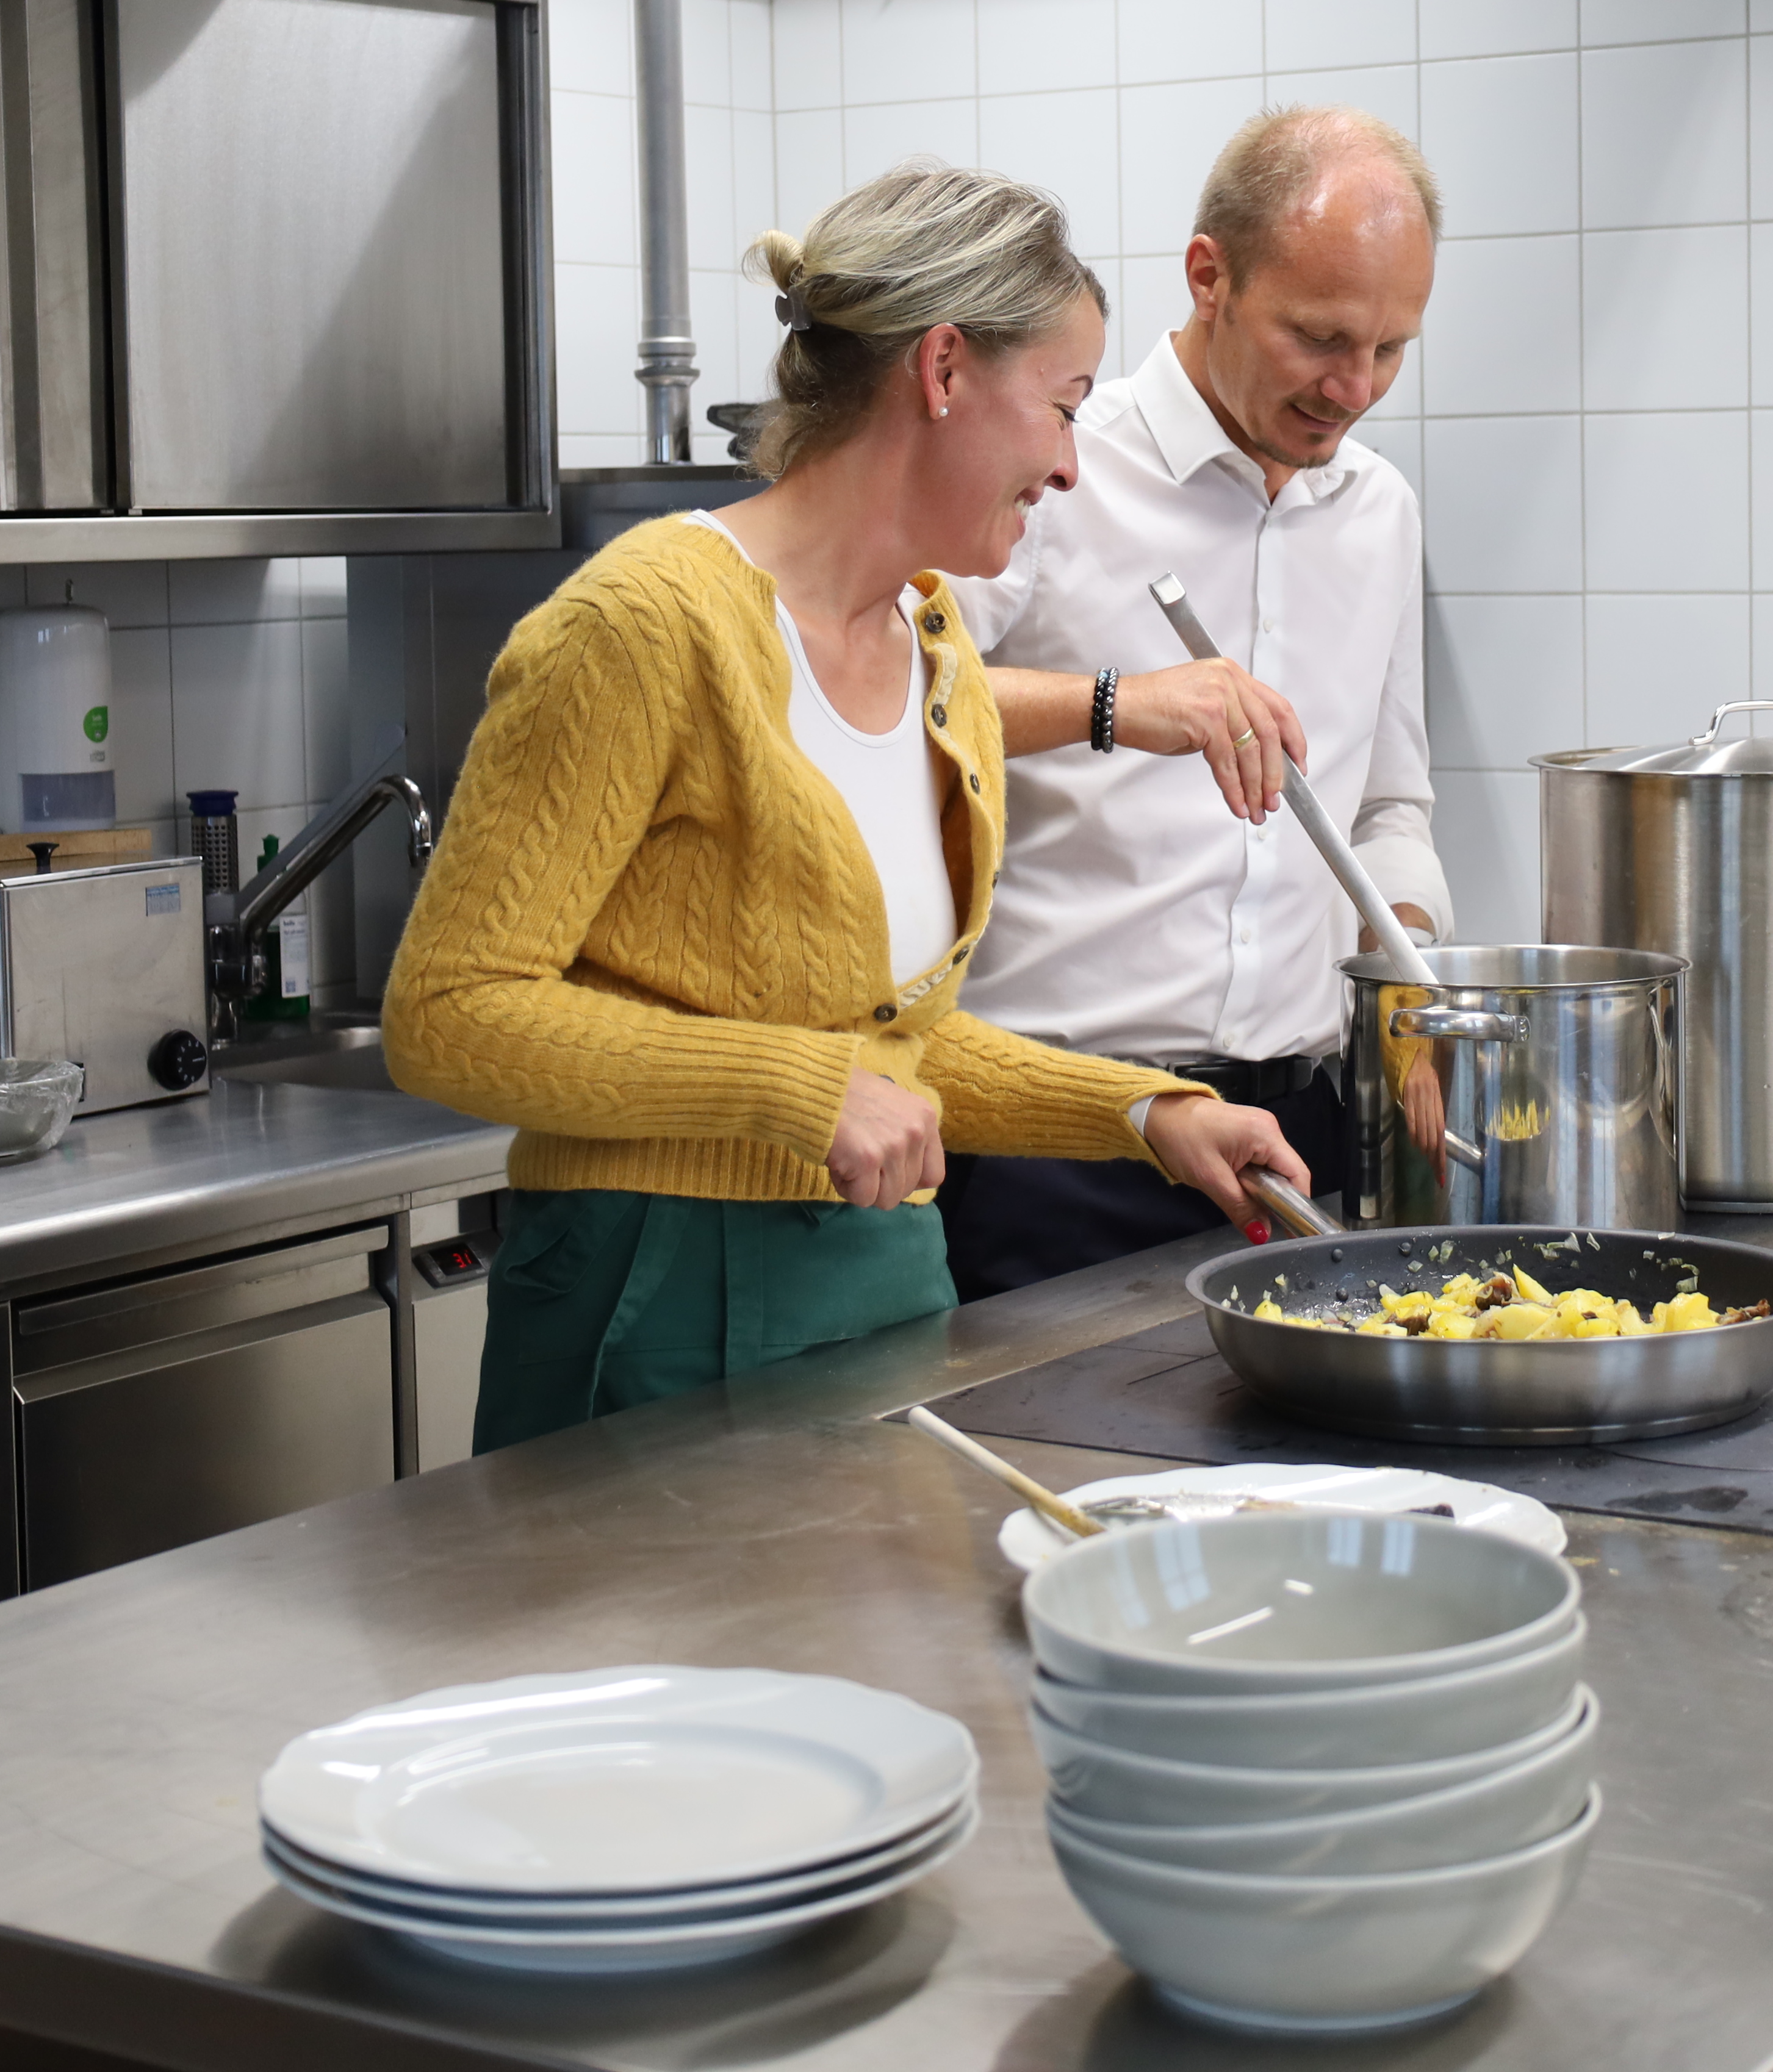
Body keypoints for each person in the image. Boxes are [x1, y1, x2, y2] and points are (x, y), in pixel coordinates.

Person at [386, 162, 1306, 1451]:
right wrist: (796, 1088)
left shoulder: (936, 647)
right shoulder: (641, 626)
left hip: (882, 1290)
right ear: (941, 371)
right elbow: (447, 1016)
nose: (1067, 464)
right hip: (650, 1299)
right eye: (1061, 406)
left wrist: (1145, 1112)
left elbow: (892, 1047)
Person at [937, 106, 1448, 1298]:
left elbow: (1390, 805)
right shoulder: (1055, 464)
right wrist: (1116, 702)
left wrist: (1407, 970)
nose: (1353, 387)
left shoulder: (1380, 510)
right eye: (1318, 337)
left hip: (1297, 1134)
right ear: (1207, 276)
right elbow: (896, 706)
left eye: (1391, 348)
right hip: (1061, 1130)